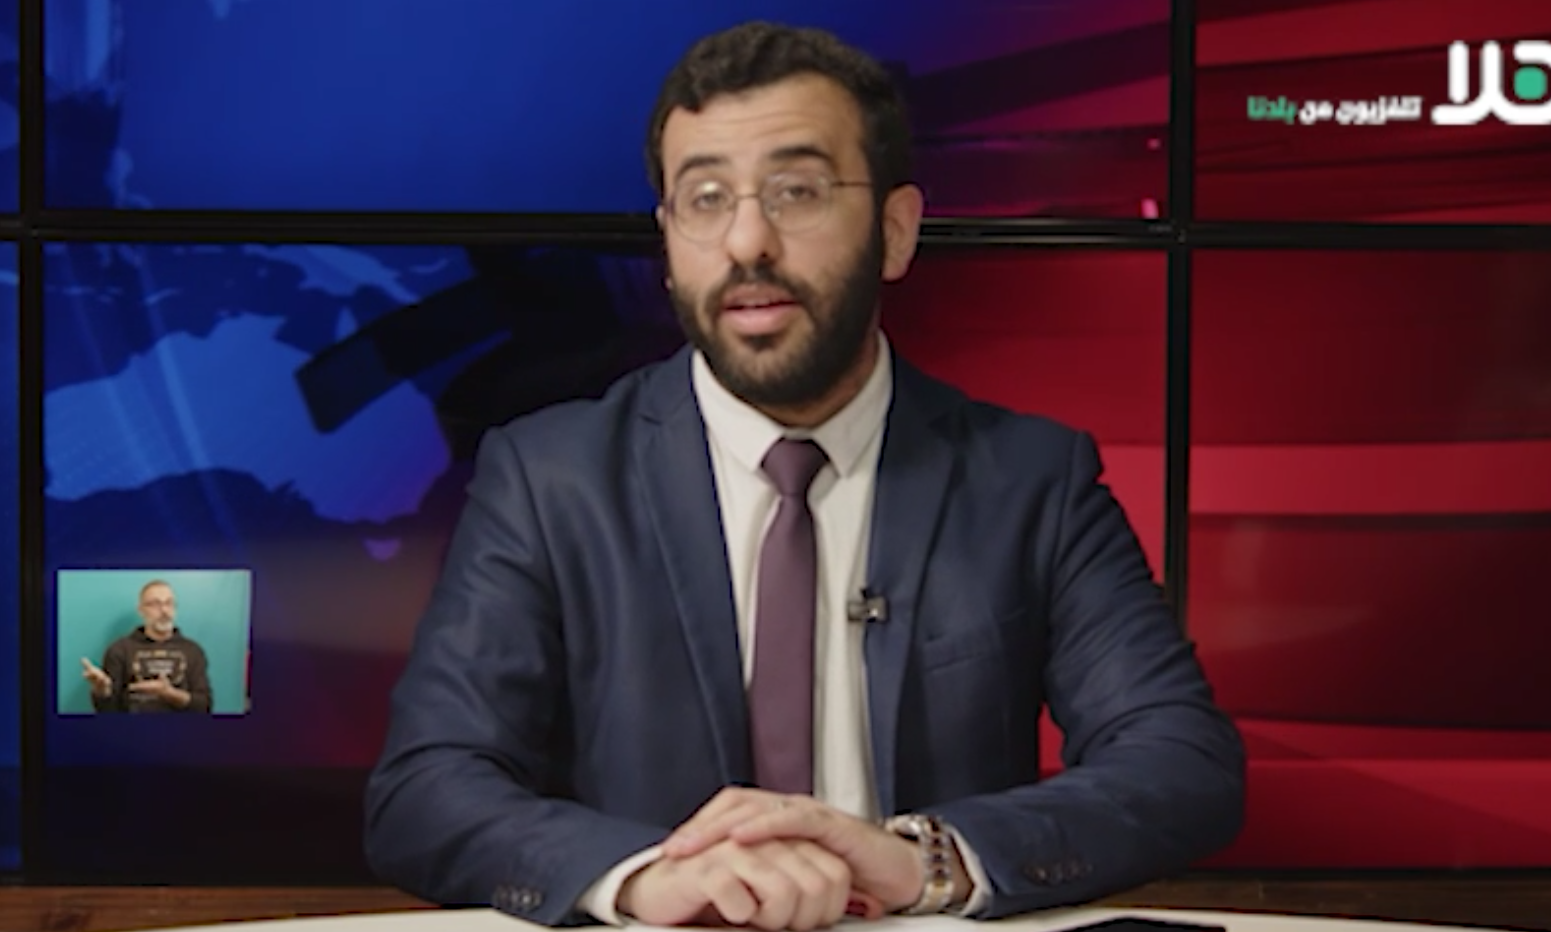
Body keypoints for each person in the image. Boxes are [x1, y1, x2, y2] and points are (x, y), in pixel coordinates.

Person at [364, 20, 1245, 931]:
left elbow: (1180, 761)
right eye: (706, 198)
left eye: (797, 192)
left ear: (895, 231)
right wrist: (645, 878)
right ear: (668, 243)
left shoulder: (1031, 481)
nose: (748, 241)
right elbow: (427, 789)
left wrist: (925, 860)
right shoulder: (550, 480)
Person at [80, 579, 213, 714]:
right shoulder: (120, 650)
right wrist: (102, 691)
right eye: (155, 604)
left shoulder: (193, 651)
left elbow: (204, 706)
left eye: (169, 603)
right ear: (141, 610)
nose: (164, 610)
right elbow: (107, 712)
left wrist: (169, 693)